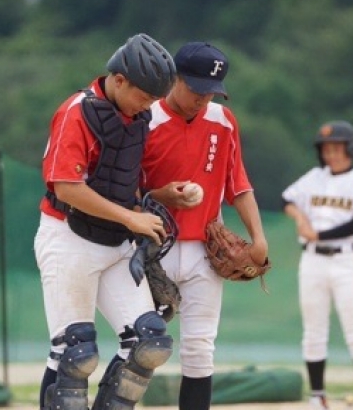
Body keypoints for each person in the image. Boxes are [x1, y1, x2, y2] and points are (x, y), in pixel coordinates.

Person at [33, 33, 178, 410]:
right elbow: (66, 187)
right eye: (144, 96)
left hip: (117, 243)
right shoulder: (77, 112)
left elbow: (123, 179)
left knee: (149, 342)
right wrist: (130, 217)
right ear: (119, 80)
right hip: (69, 238)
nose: (149, 105)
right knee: (74, 352)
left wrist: (148, 205)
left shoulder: (138, 117)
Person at [141, 41, 269, 410]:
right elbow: (126, 190)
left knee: (199, 348)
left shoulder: (223, 120)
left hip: (204, 251)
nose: (203, 98)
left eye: (211, 91)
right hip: (153, 249)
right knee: (141, 345)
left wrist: (259, 238)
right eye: (197, 88)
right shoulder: (146, 119)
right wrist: (161, 195)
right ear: (175, 78)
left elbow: (238, 185)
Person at [281, 120, 353, 410]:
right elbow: (286, 199)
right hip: (312, 260)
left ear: (351, 149)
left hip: (346, 260)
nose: (331, 154)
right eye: (326, 149)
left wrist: (319, 234)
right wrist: (300, 217)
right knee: (313, 331)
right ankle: (317, 396)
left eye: (337, 148)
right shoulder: (315, 177)